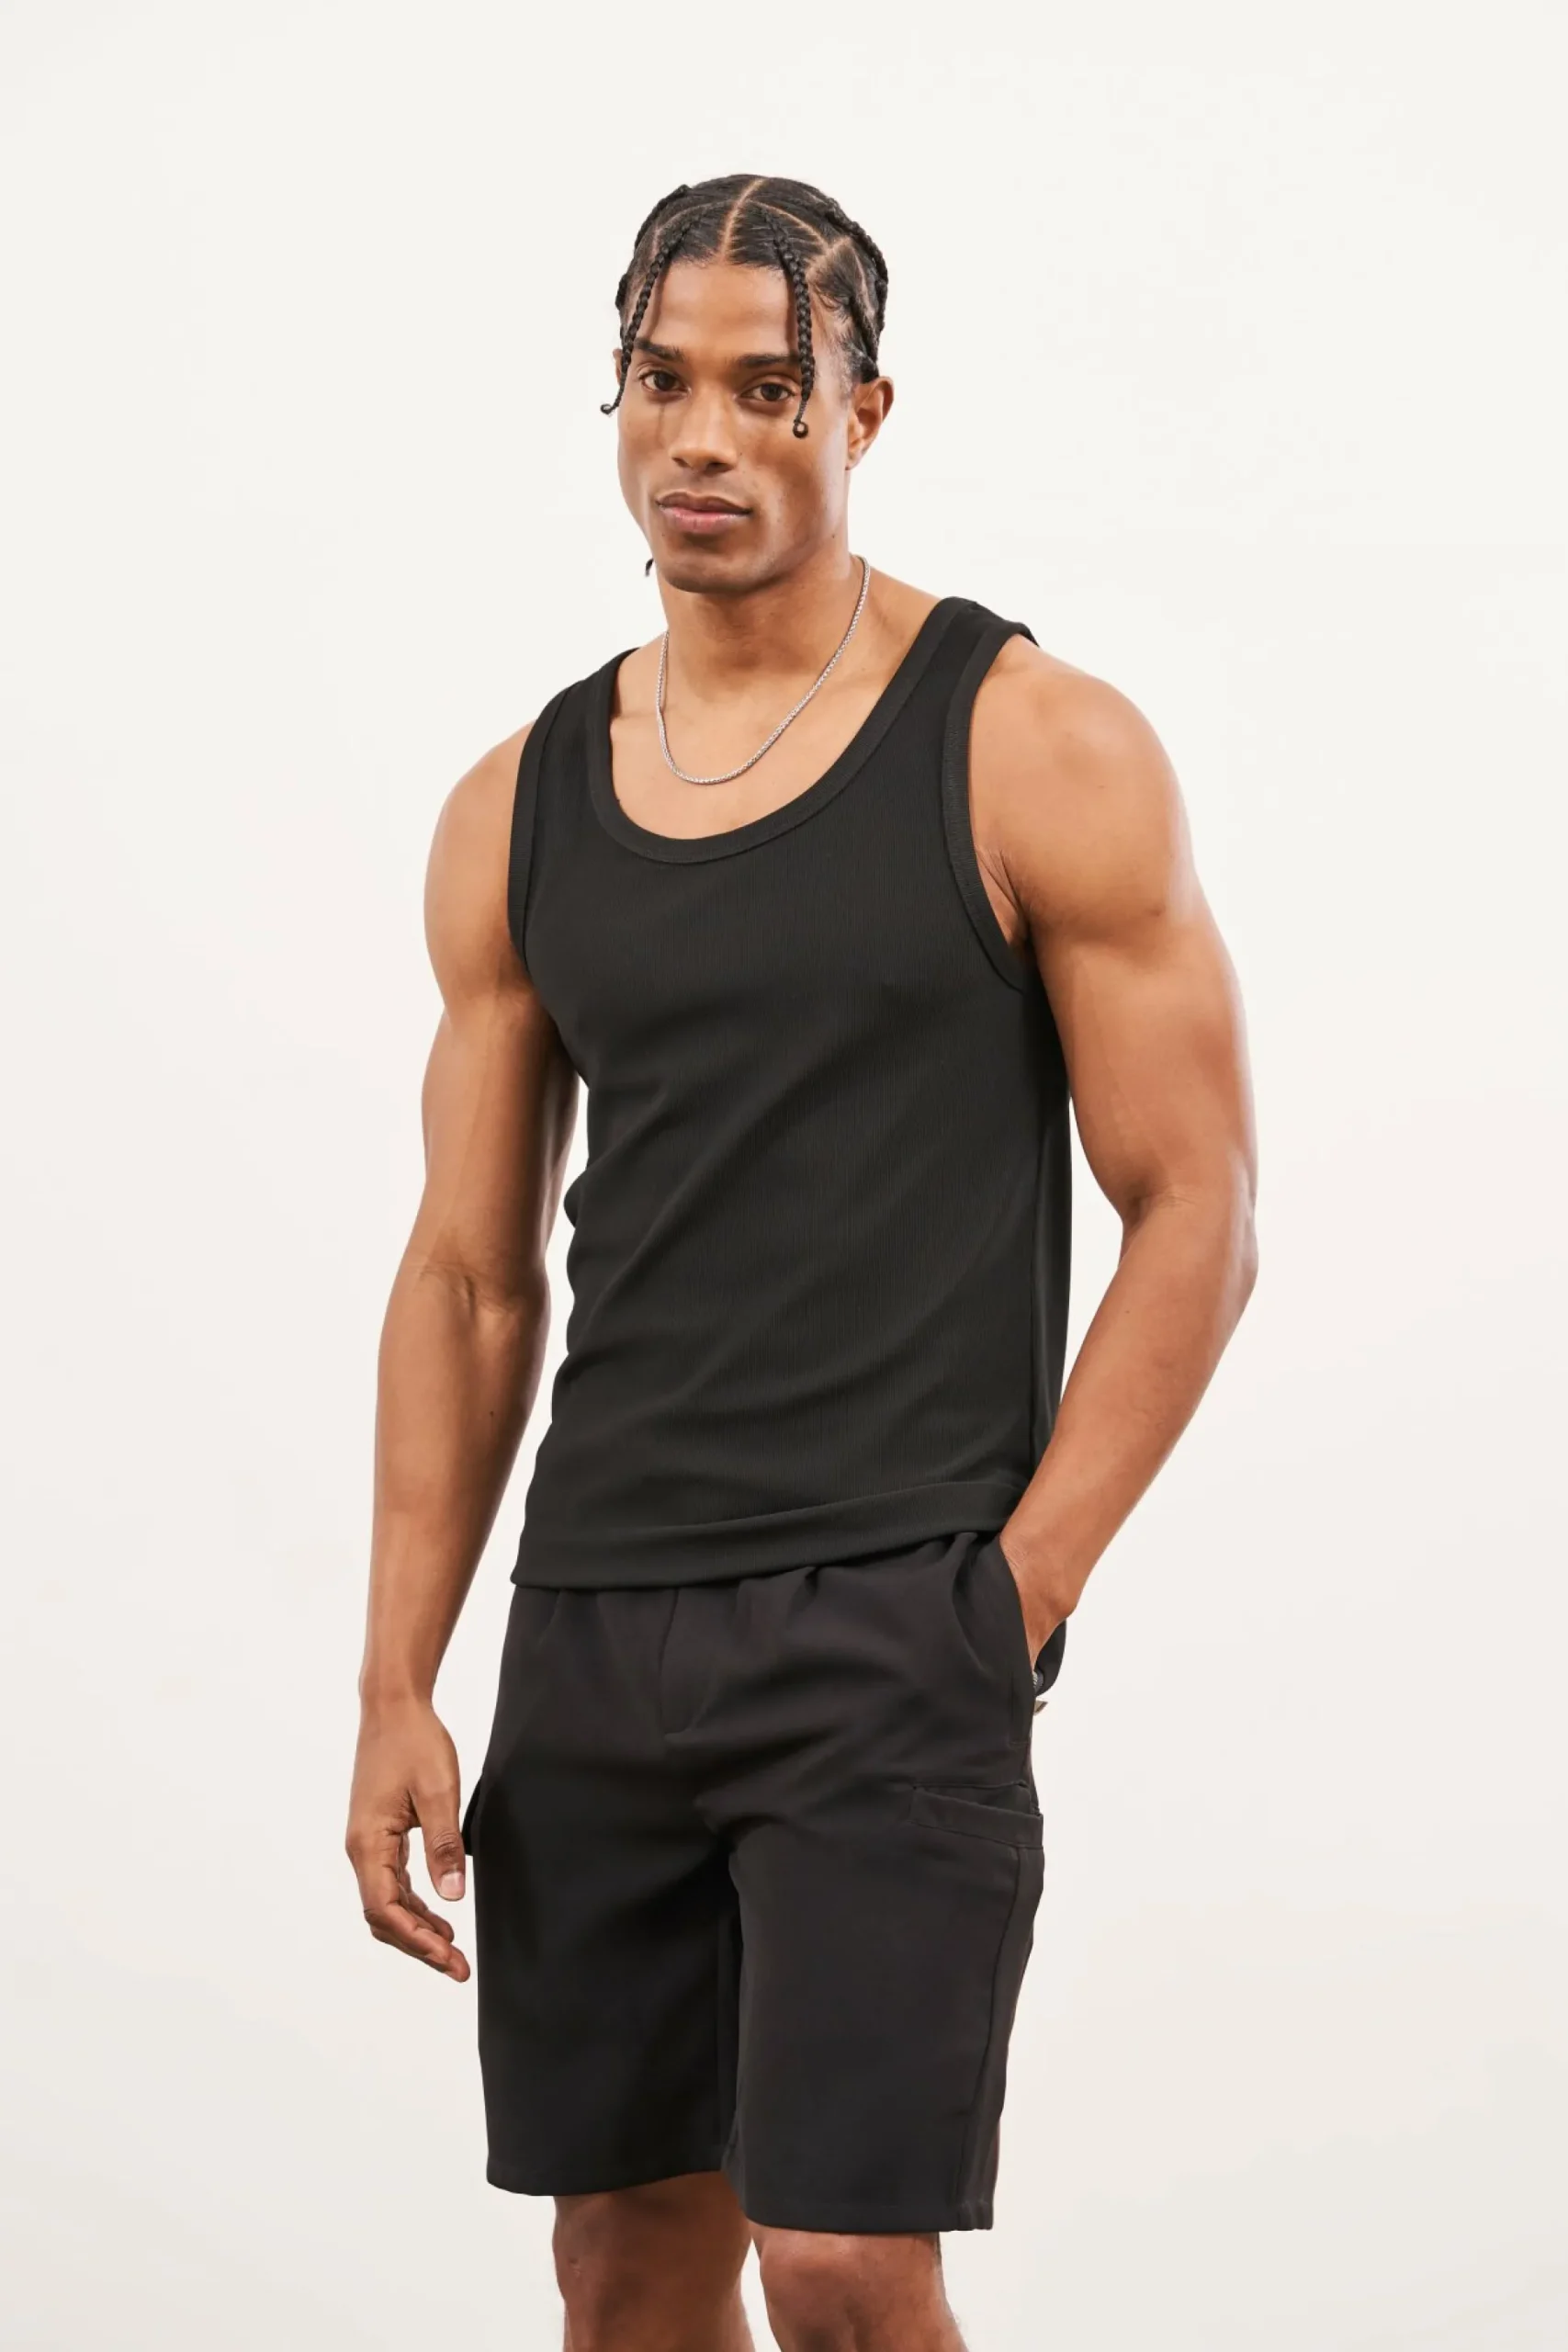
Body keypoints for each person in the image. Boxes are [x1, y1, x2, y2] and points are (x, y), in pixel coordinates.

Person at [345, 172, 1258, 2352]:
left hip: (889, 1624)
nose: (705, 438)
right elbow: (468, 1275)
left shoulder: (1030, 742)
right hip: (595, 1628)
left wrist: (1010, 1596)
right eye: (661, 381)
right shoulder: (517, 803)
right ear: (615, 397)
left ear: (862, 408)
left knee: (845, 2262)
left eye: (769, 389)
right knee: (624, 2264)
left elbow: (1198, 1208)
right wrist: (398, 1675)